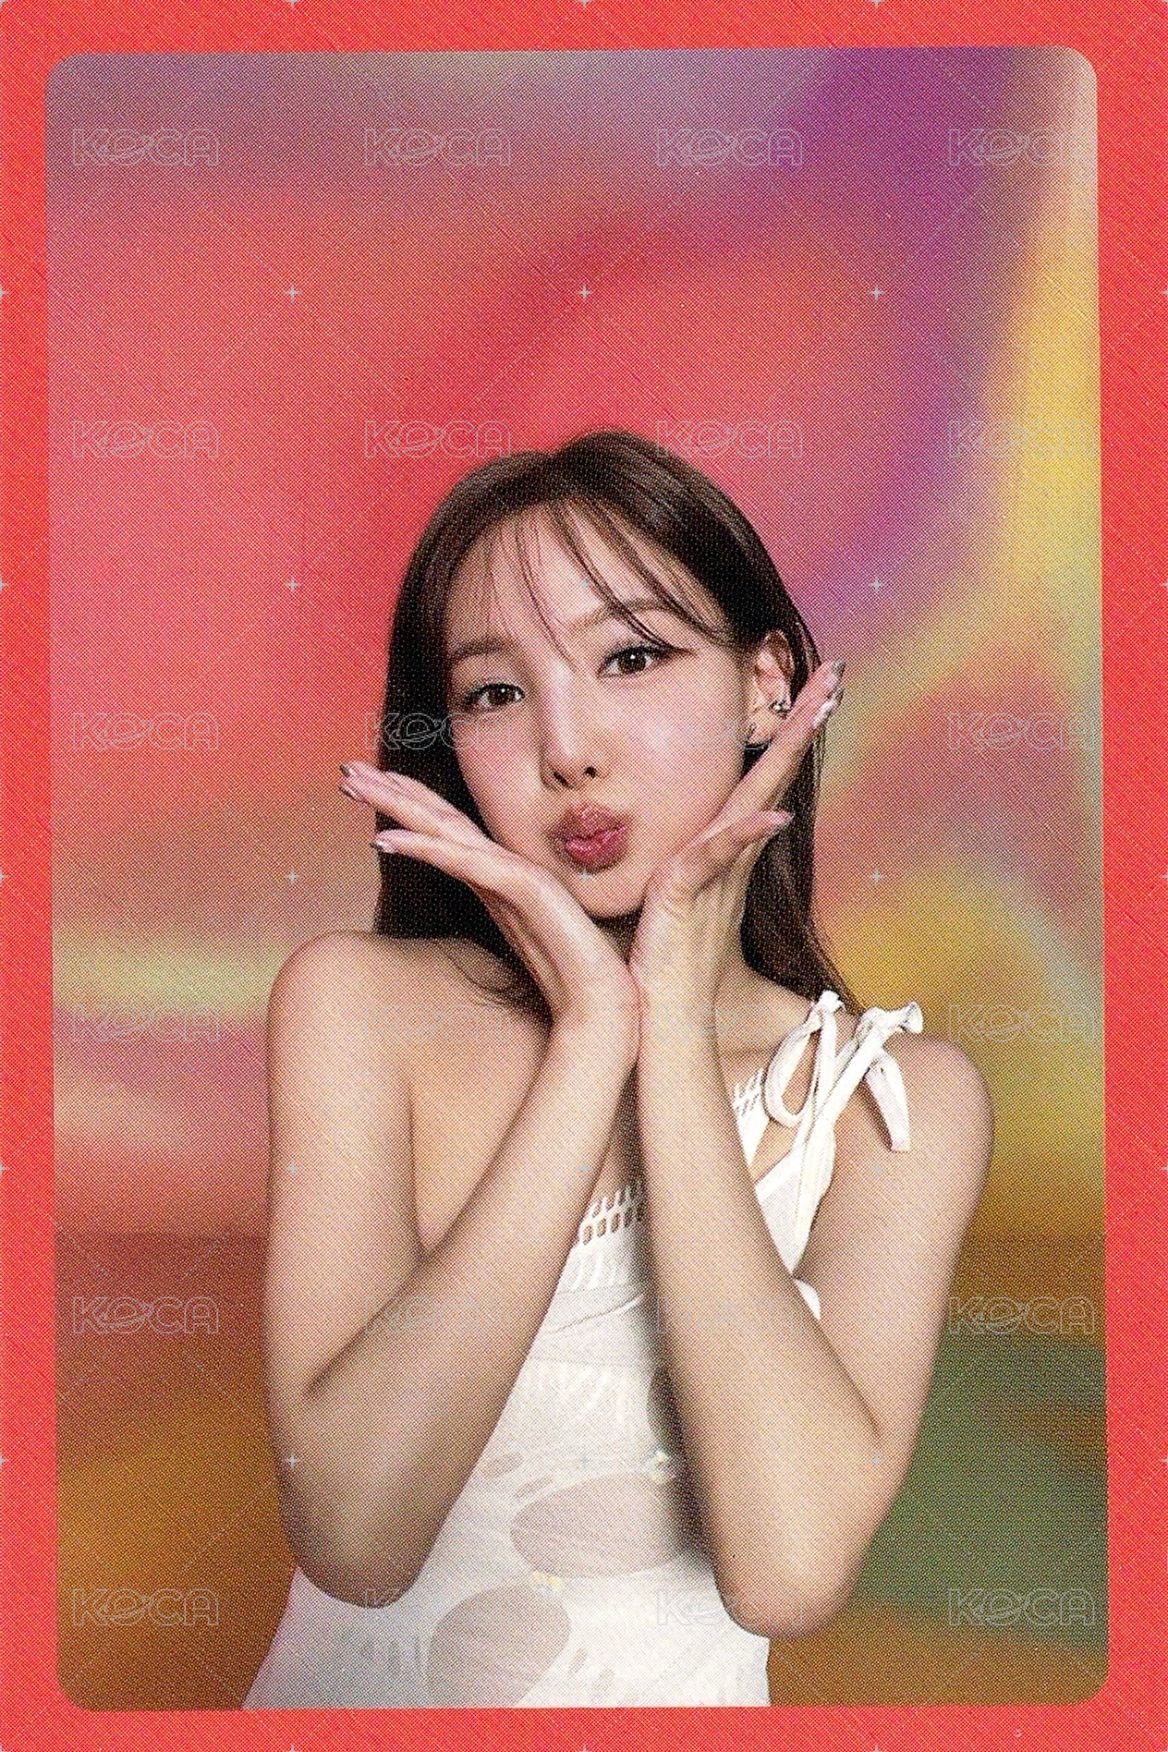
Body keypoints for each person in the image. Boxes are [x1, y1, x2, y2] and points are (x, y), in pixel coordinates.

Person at [242, 428, 993, 1707]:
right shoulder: (358, 1007)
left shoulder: (891, 1102)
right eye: (494, 693)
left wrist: (672, 1032)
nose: (567, 749)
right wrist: (593, 1036)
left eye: (632, 658)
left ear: (765, 685)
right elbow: (356, 1540)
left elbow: (787, 1570)